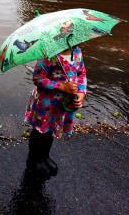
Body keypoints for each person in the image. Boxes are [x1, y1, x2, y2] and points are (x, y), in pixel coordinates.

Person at [24, 46, 87, 178]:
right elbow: (38, 79)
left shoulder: (77, 52)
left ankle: (44, 156)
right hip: (46, 104)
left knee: (51, 130)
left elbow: (81, 75)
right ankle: (33, 159)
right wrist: (61, 86)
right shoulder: (49, 54)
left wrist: (82, 92)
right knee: (41, 131)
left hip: (62, 105)